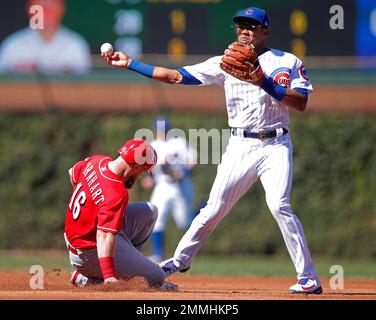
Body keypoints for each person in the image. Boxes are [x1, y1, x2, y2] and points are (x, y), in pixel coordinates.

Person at [101, 6, 322, 294]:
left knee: (279, 205)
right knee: (214, 207)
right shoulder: (225, 62)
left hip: (276, 144)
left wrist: (263, 81)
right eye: (241, 25)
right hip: (241, 144)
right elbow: (175, 76)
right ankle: (178, 260)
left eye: (252, 26)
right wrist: (131, 63)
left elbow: (300, 101)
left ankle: (308, 278)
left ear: (265, 30)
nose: (245, 30)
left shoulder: (286, 61)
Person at [64, 139, 177, 291]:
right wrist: (109, 277)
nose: (140, 176)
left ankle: (127, 267)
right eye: (142, 171)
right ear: (136, 166)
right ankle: (87, 277)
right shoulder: (115, 192)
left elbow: (72, 172)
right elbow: (103, 236)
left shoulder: (97, 161)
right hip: (88, 251)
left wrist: (88, 209)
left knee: (149, 211)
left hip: (79, 238)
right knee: (157, 277)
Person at [141, 116, 197, 262]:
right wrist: (151, 179)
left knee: (184, 222)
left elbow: (193, 160)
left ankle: (201, 211)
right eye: (160, 130)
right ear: (155, 130)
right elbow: (154, 169)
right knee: (156, 218)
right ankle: (158, 254)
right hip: (163, 185)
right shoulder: (154, 145)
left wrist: (183, 172)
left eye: (164, 130)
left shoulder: (179, 142)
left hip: (181, 185)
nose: (162, 132)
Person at [0, 0, 91, 74]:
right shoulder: (12, 45)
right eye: (40, 5)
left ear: (61, 8)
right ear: (29, 8)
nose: (46, 11)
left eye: (51, 5)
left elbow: (85, 88)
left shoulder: (75, 45)